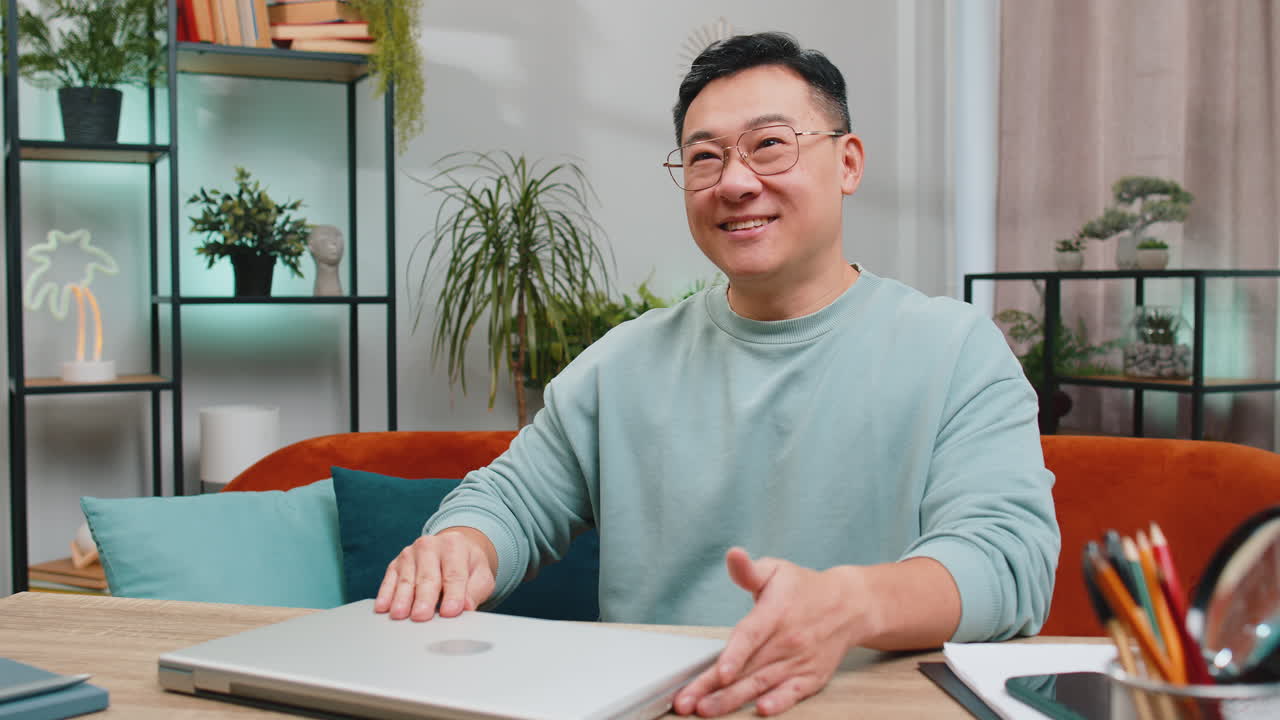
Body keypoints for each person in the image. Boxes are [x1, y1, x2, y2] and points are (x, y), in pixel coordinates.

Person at [375, 32, 1059, 717]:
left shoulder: (954, 349)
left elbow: (1007, 561)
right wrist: (459, 547)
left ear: (847, 162)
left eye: (769, 145)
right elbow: (511, 501)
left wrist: (848, 606)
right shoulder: (624, 364)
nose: (734, 182)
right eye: (705, 158)